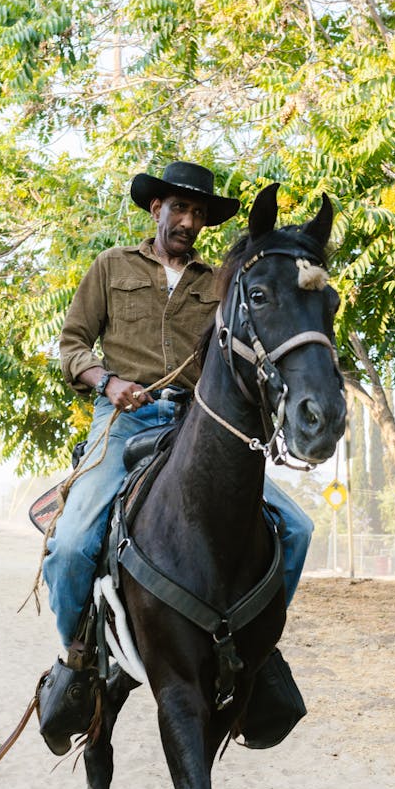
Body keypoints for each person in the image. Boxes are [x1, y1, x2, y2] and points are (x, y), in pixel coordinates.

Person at [42, 160, 314, 656]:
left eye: (199, 213)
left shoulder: (219, 285)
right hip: (122, 423)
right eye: (180, 208)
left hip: (198, 425)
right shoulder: (111, 265)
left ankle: (260, 647)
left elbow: (247, 352)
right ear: (156, 208)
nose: (189, 221)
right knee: (72, 543)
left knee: (297, 528)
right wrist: (108, 382)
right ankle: (74, 657)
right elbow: (72, 344)